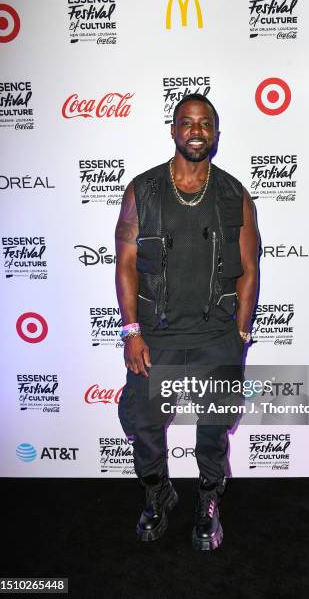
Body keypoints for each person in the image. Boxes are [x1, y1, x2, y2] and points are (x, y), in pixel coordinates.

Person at [115, 94, 259, 550]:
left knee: (214, 426)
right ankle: (158, 490)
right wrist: (132, 331)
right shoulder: (144, 189)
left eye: (205, 124)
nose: (196, 131)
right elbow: (125, 264)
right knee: (141, 419)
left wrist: (240, 333)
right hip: (156, 334)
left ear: (216, 133)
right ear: (174, 130)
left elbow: (251, 267)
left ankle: (208, 499)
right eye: (187, 123)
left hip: (217, 334)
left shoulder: (235, 194)